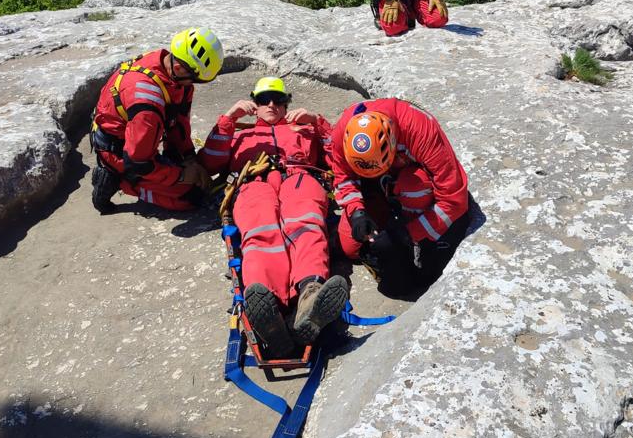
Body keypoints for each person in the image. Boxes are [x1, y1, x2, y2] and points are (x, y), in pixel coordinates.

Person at [201, 76, 349, 356]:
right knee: (261, 232)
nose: (272, 104)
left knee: (306, 226)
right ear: (254, 104)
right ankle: (267, 305)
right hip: (254, 183)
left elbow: (337, 155)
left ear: (286, 105)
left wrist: (317, 122)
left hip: (299, 178)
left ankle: (309, 295)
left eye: (279, 100)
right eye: (263, 99)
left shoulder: (304, 131)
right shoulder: (240, 134)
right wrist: (229, 119)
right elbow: (208, 161)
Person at [330, 99, 471, 296]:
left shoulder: (420, 130)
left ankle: (416, 240)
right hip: (375, 185)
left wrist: (407, 233)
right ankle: (386, 218)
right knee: (351, 246)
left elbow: (454, 199)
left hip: (411, 178)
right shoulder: (341, 133)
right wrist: (357, 213)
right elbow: (343, 178)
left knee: (413, 187)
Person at [89, 27, 222, 213]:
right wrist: (183, 176)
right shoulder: (147, 103)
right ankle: (118, 180)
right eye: (195, 79)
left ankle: (161, 171)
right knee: (190, 197)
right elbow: (138, 161)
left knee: (196, 173)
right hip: (121, 152)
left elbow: (179, 122)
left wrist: (189, 158)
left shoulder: (166, 66)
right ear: (178, 68)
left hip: (138, 137)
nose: (193, 85)